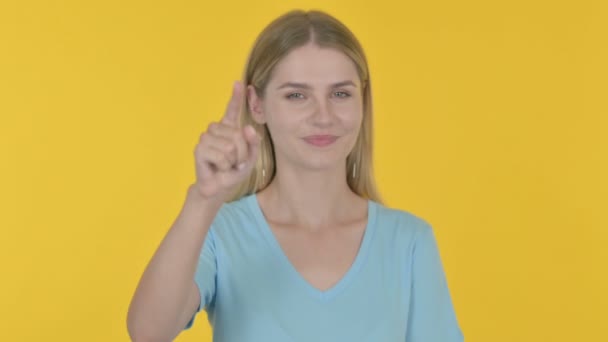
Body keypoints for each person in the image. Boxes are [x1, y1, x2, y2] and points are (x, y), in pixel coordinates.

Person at [127, 9, 464, 342]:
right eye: (297, 95)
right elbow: (148, 333)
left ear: (362, 101)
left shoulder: (409, 242)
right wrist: (202, 200)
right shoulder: (220, 232)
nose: (323, 116)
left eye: (340, 94)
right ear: (257, 106)